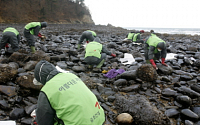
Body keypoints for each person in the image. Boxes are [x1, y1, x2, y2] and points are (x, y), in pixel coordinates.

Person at [34, 60, 105, 125]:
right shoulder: (71, 75)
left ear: (40, 79)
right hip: (100, 119)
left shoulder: (47, 89)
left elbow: (43, 120)